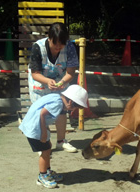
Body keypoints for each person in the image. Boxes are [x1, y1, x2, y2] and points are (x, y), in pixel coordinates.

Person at [19, 85, 88, 189]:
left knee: (47, 148)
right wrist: (43, 132)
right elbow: (42, 114)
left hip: (36, 126)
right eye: (75, 107)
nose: (73, 110)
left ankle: (47, 171)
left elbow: (42, 112)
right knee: (45, 152)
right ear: (70, 102)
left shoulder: (56, 97)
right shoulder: (58, 104)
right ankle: (42, 176)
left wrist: (45, 129)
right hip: (34, 128)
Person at [28, 22, 79, 153]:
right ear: (49, 38)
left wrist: (61, 82)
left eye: (61, 45)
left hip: (60, 80)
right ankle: (43, 144)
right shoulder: (37, 47)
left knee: (61, 109)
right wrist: (47, 81)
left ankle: (61, 141)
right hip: (40, 82)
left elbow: (70, 73)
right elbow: (35, 74)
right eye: (54, 44)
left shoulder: (70, 47)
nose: (58, 48)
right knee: (42, 113)